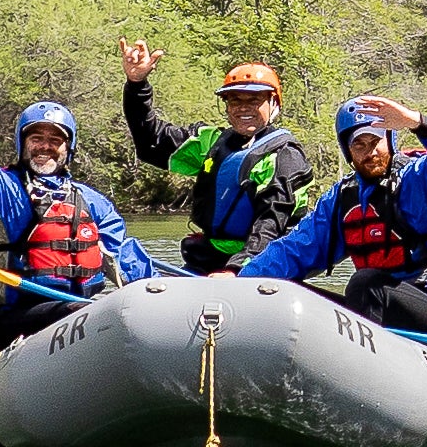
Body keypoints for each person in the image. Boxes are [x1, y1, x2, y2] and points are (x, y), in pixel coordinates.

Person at [0, 45, 157, 344]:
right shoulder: (5, 192)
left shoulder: (91, 202)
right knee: (90, 311)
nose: (45, 145)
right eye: (36, 138)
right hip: (17, 320)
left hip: (82, 313)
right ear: (22, 143)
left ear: (69, 148)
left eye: (55, 139)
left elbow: (124, 256)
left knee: (113, 310)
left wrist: (156, 296)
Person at [241, 95, 427, 337]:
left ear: (390, 140)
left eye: (375, 141)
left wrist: (417, 121)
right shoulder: (342, 199)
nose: (370, 152)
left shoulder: (422, 180)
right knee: (292, 292)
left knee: (364, 284)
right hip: (382, 309)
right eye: (359, 145)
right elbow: (292, 251)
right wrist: (238, 281)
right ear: (348, 152)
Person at [119, 42, 315, 275]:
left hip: (267, 262)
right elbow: (151, 142)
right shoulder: (212, 142)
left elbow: (271, 223)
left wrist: (234, 269)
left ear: (273, 104)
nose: (244, 108)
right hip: (209, 260)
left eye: (254, 100)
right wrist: (137, 84)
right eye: (235, 100)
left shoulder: (286, 156)